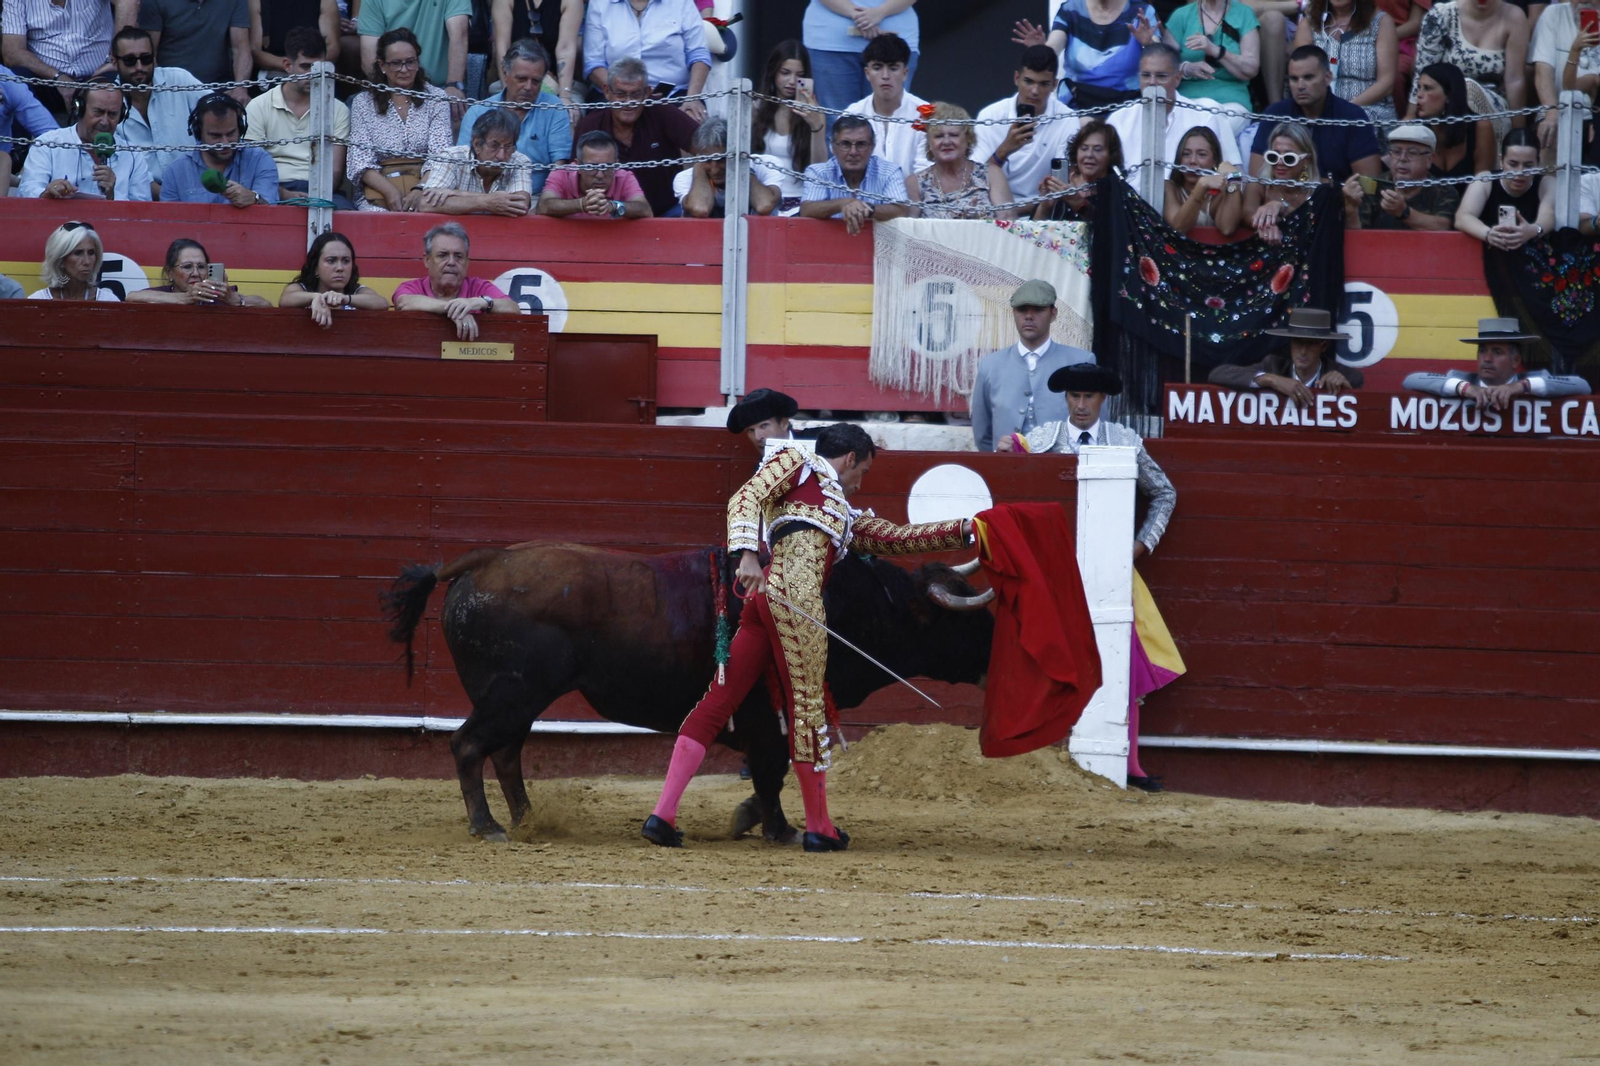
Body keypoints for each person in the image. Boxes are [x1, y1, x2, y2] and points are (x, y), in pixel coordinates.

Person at [641, 421, 975, 852]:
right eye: (864, 472)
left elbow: (896, 538)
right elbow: (746, 497)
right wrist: (746, 554)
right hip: (794, 601)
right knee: (807, 707)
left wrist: (968, 529)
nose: (860, 483)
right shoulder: (797, 462)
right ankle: (819, 827)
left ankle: (662, 815)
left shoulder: (843, 513)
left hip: (765, 601)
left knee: (719, 699)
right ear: (851, 458)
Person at [1002, 361, 1177, 793]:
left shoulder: (1126, 442)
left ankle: (1131, 764)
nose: (1081, 406)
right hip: (1051, 571)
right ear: (1066, 399)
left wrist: (1140, 545)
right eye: (1074, 397)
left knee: (1127, 662)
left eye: (1089, 397)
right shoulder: (1038, 442)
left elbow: (1165, 493)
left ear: (1103, 400)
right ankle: (1042, 760)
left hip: (1109, 571)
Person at [970, 279, 1093, 453]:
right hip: (1007, 471)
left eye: (1038, 310)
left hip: (1063, 471)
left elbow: (1095, 431)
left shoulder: (1082, 362)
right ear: (1013, 313)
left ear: (1053, 314)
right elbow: (983, 434)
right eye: (1022, 310)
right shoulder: (990, 366)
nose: (1029, 316)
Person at [575, 55, 699, 217]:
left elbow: (706, 148)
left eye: (635, 94)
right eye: (620, 94)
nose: (628, 102)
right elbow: (575, 174)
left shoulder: (663, 112)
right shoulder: (590, 124)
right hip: (607, 216)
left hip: (668, 213)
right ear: (607, 91)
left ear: (647, 93)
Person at [346, 27, 453, 213]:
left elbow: (441, 155)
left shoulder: (436, 98)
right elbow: (360, 161)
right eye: (396, 63)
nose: (404, 70)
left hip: (427, 188)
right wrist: (390, 192)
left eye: (410, 62)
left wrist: (420, 189)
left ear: (418, 62)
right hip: (378, 191)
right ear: (382, 65)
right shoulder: (363, 103)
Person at [244, 26, 351, 206]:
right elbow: (251, 168)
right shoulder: (259, 105)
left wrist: (314, 197)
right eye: (306, 66)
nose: (313, 74)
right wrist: (282, 194)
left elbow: (335, 173)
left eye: (319, 67)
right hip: (272, 187)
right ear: (288, 65)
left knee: (348, 215)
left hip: (322, 189)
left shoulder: (338, 109)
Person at [1107, 43, 1242, 180]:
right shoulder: (1119, 119)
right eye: (1146, 75)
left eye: (1161, 76)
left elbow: (1230, 172)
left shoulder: (1203, 118)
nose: (1152, 82)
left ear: (1177, 78)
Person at [1250, 45, 1382, 184]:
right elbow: (1255, 179)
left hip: (1338, 202)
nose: (1300, 86)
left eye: (1308, 77)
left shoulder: (1352, 116)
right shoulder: (1275, 113)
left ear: (1328, 77)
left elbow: (1369, 182)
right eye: (1294, 79)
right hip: (1281, 201)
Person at [973, 45, 1080, 215]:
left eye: (1044, 84)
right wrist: (1004, 150)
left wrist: (1025, 209)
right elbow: (975, 182)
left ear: (1054, 85)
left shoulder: (1067, 119)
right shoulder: (990, 115)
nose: (1035, 91)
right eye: (1028, 81)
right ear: (1016, 78)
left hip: (1043, 211)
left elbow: (1061, 181)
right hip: (993, 211)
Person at [457, 38, 571, 197]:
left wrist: (546, 204)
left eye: (536, 81)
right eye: (521, 79)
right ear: (505, 73)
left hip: (536, 199)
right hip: (480, 198)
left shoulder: (554, 108)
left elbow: (559, 167)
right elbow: (462, 163)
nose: (528, 87)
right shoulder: (478, 112)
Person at [19, 77, 152, 202]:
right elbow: (27, 193)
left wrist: (112, 195)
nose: (105, 122)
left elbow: (142, 213)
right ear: (79, 109)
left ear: (122, 115)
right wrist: (47, 194)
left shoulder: (133, 156)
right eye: (98, 112)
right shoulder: (47, 144)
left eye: (112, 114)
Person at [1010, 0, 1161, 109]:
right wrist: (1041, 50)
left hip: (1128, 105)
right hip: (1077, 102)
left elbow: (1160, 59)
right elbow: (1053, 48)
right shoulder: (1070, 9)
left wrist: (1148, 44)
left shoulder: (1142, 11)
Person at [1402, 317, 1589, 405]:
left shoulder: (1535, 379)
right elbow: (1412, 379)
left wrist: (1520, 387)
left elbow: (1582, 385)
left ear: (1516, 360)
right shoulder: (1461, 379)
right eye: (1482, 351)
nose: (1487, 358)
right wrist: (1466, 388)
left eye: (1497, 351)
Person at [109, 25, 204, 193]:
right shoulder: (107, 100)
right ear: (114, 61)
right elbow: (122, 170)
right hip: (141, 197)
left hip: (197, 187)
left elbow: (217, 110)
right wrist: (172, 199)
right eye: (130, 60)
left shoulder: (178, 79)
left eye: (146, 59)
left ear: (154, 57)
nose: (139, 67)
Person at [584, 0, 712, 122]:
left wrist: (692, 98)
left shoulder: (681, 3)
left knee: (692, 121)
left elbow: (699, 54)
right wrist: (624, 93)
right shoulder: (600, 3)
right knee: (596, 134)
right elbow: (594, 63)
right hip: (617, 95)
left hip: (674, 94)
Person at [801, 0, 921, 130]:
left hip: (894, 39)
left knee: (890, 123)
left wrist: (880, 12)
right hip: (831, 42)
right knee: (836, 123)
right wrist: (860, 16)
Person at [393, 222, 519, 340]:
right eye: (442, 255)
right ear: (427, 260)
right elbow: (404, 303)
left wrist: (482, 302)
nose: (451, 262)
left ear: (467, 263)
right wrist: (455, 309)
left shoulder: (478, 287)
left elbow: (513, 309)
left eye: (458, 256)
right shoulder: (413, 287)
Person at [2, 0, 126, 115]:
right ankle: (28, 137)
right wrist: (58, 77)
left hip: (101, 73)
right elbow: (12, 52)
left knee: (128, 69)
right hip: (46, 80)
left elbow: (127, 1)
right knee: (13, 81)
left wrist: (115, 57)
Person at [1208, 307, 1363, 398]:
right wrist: (1271, 380)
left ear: (1323, 346)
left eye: (1310, 345)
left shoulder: (1345, 376)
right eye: (1298, 343)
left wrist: (1345, 391)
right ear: (1290, 343)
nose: (1303, 351)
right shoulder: (1273, 365)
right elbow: (1218, 373)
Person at [1409, 0, 1529, 116]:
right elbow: (1423, 72)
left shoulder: (1514, 17)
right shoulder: (1441, 15)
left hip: (1494, 112)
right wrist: (1411, 115)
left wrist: (1517, 131)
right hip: (1444, 106)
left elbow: (1515, 80)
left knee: (1469, 87)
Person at [1291, 0, 1399, 127]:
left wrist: (1344, 109)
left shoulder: (1381, 22)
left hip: (1369, 108)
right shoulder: (1309, 24)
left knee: (1355, 123)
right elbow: (1300, 73)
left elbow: (1386, 83)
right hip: (1317, 108)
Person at [799, 114, 911, 235]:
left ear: (872, 147)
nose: (853, 152)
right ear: (833, 147)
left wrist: (866, 209)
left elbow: (902, 210)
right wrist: (844, 203)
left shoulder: (890, 172)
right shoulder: (818, 172)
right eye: (845, 144)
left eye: (861, 144)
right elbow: (807, 209)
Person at [159, 93, 278, 205]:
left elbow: (273, 212)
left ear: (241, 128)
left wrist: (254, 199)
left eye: (231, 133)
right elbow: (168, 221)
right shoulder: (176, 171)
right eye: (215, 136)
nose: (225, 143)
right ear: (198, 132)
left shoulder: (260, 160)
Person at [751, 40, 827, 213]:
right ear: (773, 72)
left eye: (799, 75)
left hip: (801, 203)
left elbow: (820, 167)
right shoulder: (757, 108)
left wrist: (815, 126)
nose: (792, 81)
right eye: (785, 73)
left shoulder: (814, 112)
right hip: (764, 200)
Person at [416, 108, 536, 216]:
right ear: (477, 144)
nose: (501, 156)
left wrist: (456, 195)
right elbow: (426, 203)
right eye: (494, 146)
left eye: (508, 147)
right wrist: (486, 202)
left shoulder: (519, 161)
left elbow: (521, 204)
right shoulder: (451, 157)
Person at [906, 102, 1014, 219]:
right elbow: (908, 230)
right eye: (938, 136)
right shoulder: (915, 183)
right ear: (929, 143)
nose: (946, 142)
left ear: (968, 139)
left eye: (953, 135)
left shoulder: (992, 174)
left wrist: (981, 221)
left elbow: (1009, 224)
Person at [1342, 122, 1460, 229]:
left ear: (1429, 160)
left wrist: (1404, 212)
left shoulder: (1444, 191)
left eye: (1412, 153)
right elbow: (1357, 238)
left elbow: (1444, 227)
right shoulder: (1374, 187)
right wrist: (1351, 208)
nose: (1402, 159)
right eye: (1397, 152)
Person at [841, 33, 928, 179]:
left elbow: (926, 173)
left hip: (914, 199)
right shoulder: (851, 114)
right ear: (867, 73)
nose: (885, 75)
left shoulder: (926, 113)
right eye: (877, 67)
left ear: (905, 73)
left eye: (893, 68)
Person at [1455, 128, 1552, 249]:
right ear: (1501, 161)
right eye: (1513, 164)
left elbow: (1549, 215)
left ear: (1538, 164)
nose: (1520, 172)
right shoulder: (1485, 180)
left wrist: (1534, 229)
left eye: (1528, 165)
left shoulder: (1547, 183)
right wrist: (1489, 234)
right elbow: (1462, 217)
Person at [358, 0, 471, 102]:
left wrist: (454, 85)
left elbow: (459, 35)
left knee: (456, 114)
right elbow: (369, 57)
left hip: (441, 88)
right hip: (390, 88)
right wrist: (389, 92)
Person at [1163, 0, 1262, 115]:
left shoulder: (1244, 13)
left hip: (1231, 102)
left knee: (1212, 125)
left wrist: (1215, 50)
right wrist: (1187, 68)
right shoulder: (1181, 16)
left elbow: (1251, 69)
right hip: (1187, 100)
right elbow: (1165, 66)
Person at [135, 0, 250, 99]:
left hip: (220, 88)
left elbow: (240, 48)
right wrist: (160, 92)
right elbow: (149, 54)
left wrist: (240, 89)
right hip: (172, 90)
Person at [673, 118, 781, 218]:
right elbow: (700, 209)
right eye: (708, 160)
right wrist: (699, 167)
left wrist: (742, 165)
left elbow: (764, 206)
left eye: (721, 160)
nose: (715, 170)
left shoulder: (766, 164)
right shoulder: (684, 178)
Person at [279, 230, 388, 326]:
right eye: (331, 261)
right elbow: (285, 300)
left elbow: (382, 303)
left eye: (346, 261)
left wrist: (344, 299)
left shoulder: (357, 291)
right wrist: (317, 297)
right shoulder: (302, 288)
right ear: (315, 267)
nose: (340, 268)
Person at [538, 128, 653, 218]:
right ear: (578, 166)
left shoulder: (624, 177)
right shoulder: (561, 174)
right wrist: (581, 204)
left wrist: (612, 206)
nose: (600, 175)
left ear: (616, 165)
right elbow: (543, 206)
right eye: (592, 167)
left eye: (607, 167)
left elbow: (645, 210)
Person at [1534, 0, 1600, 152]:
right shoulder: (1553, 14)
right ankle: (1549, 177)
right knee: (1551, 130)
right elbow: (1543, 71)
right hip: (1561, 108)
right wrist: (1552, 112)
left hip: (1596, 111)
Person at [1413, 61, 1497, 180]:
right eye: (1419, 88)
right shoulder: (1416, 128)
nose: (1419, 95)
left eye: (1427, 88)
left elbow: (1483, 183)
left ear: (1449, 96)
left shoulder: (1480, 127)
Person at [127, 236, 269, 306]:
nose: (196, 273)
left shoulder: (219, 294)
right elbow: (131, 297)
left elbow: (266, 305)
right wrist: (185, 298)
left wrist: (234, 299)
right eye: (187, 267)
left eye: (201, 267)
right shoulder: (164, 292)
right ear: (170, 273)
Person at [1244, 120, 1320, 244]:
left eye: (1289, 158)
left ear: (1306, 160)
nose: (1279, 163)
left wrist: (1282, 208)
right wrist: (1268, 223)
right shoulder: (1259, 185)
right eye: (1273, 156)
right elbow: (1246, 215)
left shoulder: (1319, 189)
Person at [490, 0, 583, 98]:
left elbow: (566, 47)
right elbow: (503, 47)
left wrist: (565, 94)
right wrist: (507, 91)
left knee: (571, 110)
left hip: (557, 82)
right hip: (516, 80)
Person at [1035, 118, 1122, 221]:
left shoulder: (1116, 188)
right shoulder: (1062, 184)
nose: (1089, 155)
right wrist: (1045, 207)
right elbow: (1034, 233)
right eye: (1084, 148)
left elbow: (1107, 226)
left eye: (1097, 149)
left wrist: (1076, 201)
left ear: (1111, 154)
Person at [1164, 124, 1245, 234]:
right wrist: (1201, 187)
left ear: (1215, 161)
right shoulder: (1170, 187)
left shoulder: (1221, 192)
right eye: (1186, 154)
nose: (1192, 160)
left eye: (1201, 154)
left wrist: (1234, 179)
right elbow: (1178, 227)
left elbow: (1227, 228)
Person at [0, 66, 61, 195]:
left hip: (2, 173)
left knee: (3, 160)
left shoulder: (5, 79)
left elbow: (53, 137)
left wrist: (28, 179)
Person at [29, 221, 120, 301]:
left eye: (91, 253)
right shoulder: (38, 301)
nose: (87, 261)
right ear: (60, 260)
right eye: (78, 253)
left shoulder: (108, 300)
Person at [249, 0, 339, 76]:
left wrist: (309, 65)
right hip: (276, 68)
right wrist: (291, 65)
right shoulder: (256, 2)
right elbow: (255, 51)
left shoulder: (325, 1)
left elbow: (332, 48)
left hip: (316, 66)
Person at [726, 387, 801, 449]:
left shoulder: (812, 443)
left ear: (784, 424)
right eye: (751, 430)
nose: (757, 437)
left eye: (764, 426)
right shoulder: (762, 466)